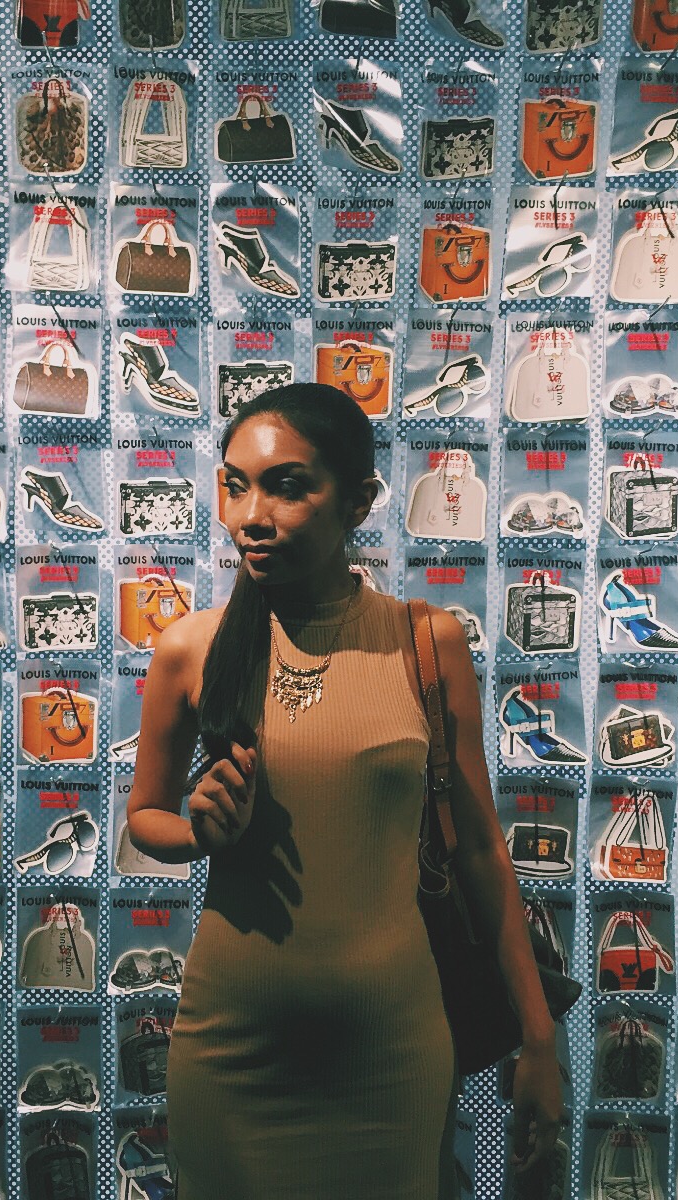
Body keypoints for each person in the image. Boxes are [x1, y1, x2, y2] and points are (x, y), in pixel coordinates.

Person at [126, 383, 566, 1197]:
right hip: (230, 1053)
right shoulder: (190, 648)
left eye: (287, 486)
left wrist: (538, 1040)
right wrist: (196, 831)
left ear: (359, 501)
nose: (251, 515)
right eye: (235, 485)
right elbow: (146, 817)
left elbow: (480, 851)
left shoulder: (425, 643)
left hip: (391, 1057)